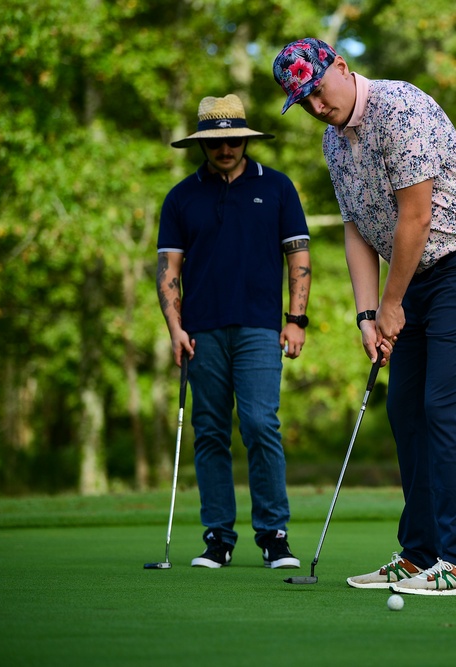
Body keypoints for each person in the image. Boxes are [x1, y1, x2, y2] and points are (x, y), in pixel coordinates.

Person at [272, 38, 456, 596]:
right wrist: (366, 314)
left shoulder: (401, 108)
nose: (314, 107)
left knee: (445, 407)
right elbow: (357, 230)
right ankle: (421, 553)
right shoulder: (335, 143)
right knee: (406, 410)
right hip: (415, 280)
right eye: (301, 101)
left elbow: (416, 215)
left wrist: (391, 303)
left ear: (341, 66)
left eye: (317, 92)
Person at [156, 94, 312, 570]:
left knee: (262, 425)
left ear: (245, 138)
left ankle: (274, 535)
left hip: (261, 327)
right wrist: (175, 329)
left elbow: (299, 258)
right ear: (203, 145)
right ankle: (218, 538)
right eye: (217, 141)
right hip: (201, 331)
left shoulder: (279, 187)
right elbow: (168, 270)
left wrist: (296, 318)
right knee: (210, 432)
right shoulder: (182, 196)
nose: (226, 148)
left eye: (234, 139)